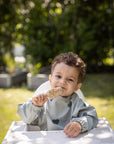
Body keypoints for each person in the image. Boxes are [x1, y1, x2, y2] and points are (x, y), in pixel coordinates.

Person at [17, 52, 98, 138]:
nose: (62, 82)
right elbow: (27, 119)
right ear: (50, 79)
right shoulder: (43, 102)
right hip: (47, 140)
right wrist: (35, 106)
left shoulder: (77, 102)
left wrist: (79, 124)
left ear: (77, 87)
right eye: (58, 76)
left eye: (70, 79)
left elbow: (92, 116)